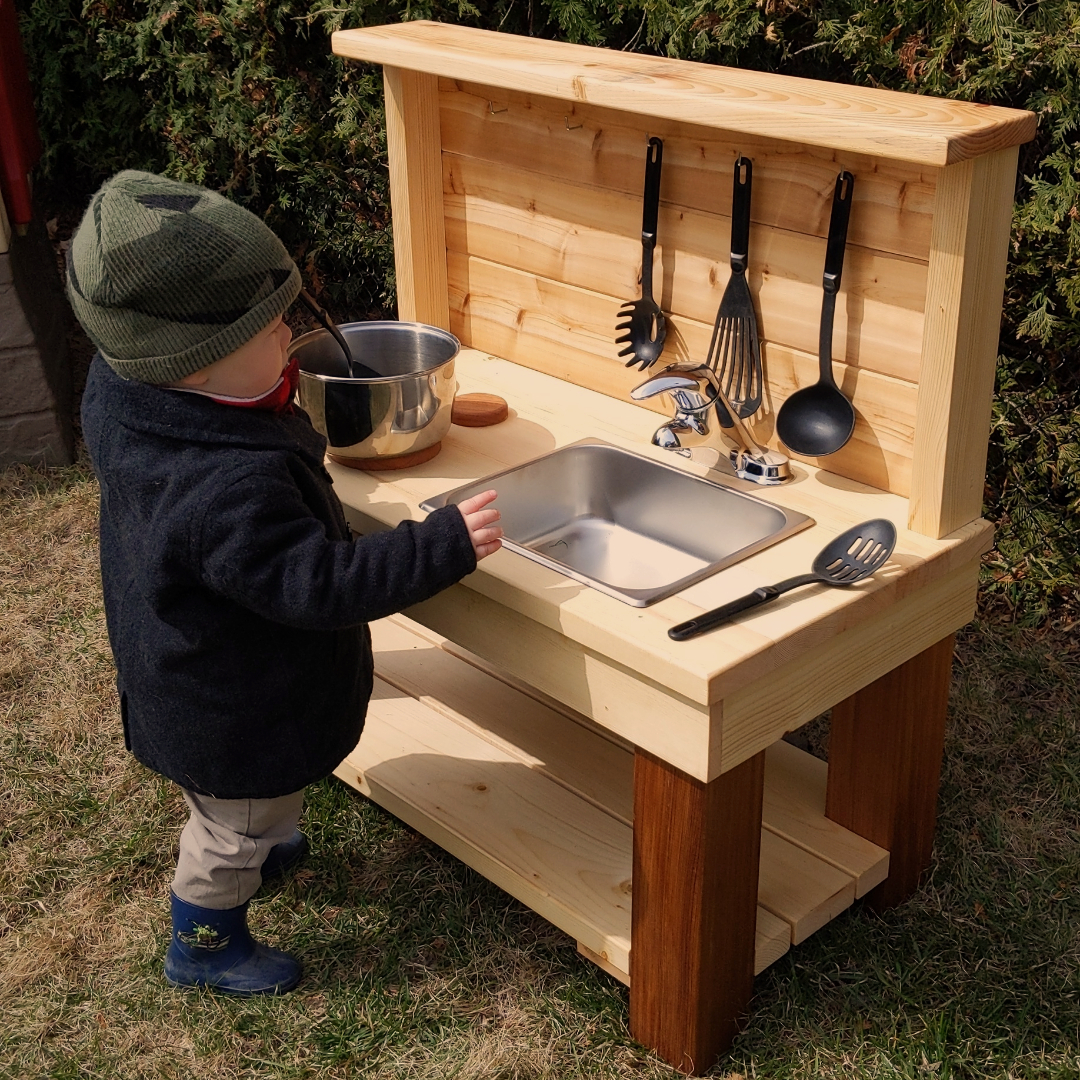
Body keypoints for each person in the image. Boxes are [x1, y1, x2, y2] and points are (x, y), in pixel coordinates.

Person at [71, 170, 501, 997]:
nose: (291, 341)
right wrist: (438, 546)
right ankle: (203, 939)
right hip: (230, 711)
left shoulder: (132, 395)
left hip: (200, 666)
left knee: (252, 812)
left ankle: (265, 838)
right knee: (229, 829)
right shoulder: (222, 492)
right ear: (191, 364)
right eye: (270, 333)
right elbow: (320, 585)